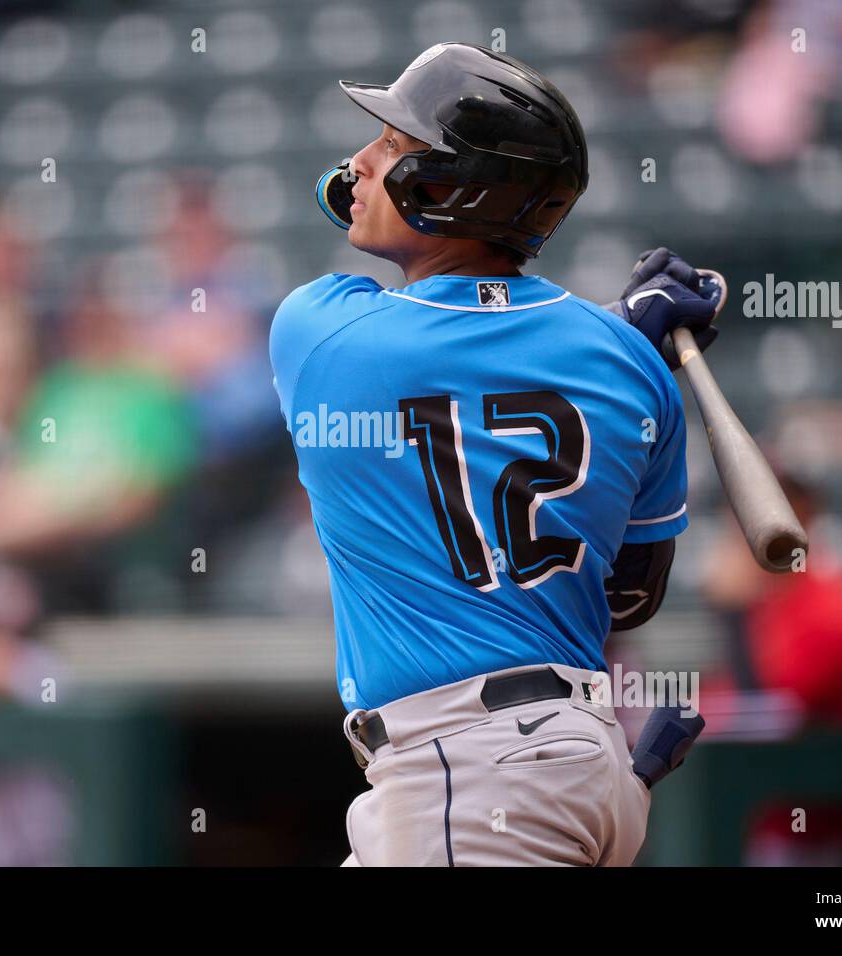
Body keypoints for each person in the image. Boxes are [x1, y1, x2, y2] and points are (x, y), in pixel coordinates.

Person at [269, 43, 719, 867]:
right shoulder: (633, 369)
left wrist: (617, 327)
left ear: (450, 187)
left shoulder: (320, 331)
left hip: (468, 779)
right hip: (578, 766)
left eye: (394, 148)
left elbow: (445, 336)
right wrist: (620, 334)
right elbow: (627, 599)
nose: (361, 163)